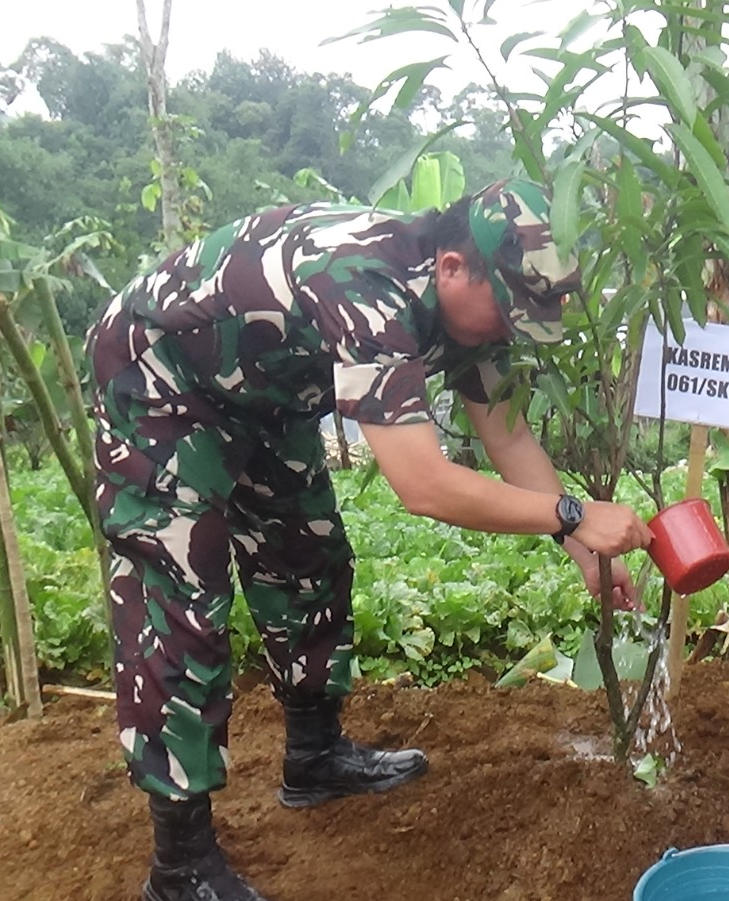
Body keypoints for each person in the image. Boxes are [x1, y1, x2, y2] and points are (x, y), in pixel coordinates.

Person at [88, 179, 653, 901]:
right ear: (452, 267)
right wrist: (572, 514)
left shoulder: (473, 314)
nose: (510, 330)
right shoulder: (368, 288)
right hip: (161, 381)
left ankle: (314, 755)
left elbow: (507, 434)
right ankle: (180, 864)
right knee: (180, 601)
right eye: (508, 311)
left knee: (307, 555)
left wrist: (585, 554)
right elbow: (423, 485)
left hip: (265, 392)